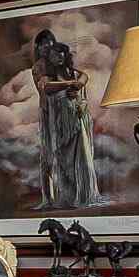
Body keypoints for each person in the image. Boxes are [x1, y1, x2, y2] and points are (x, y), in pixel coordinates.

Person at [30, 27, 97, 210]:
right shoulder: (39, 68)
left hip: (70, 115)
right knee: (50, 156)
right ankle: (50, 198)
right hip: (49, 115)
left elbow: (83, 76)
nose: (46, 47)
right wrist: (71, 84)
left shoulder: (65, 66)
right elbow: (46, 87)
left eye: (49, 44)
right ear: (38, 47)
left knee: (72, 155)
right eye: (42, 44)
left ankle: (73, 194)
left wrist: (77, 84)